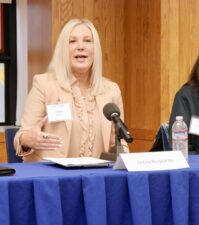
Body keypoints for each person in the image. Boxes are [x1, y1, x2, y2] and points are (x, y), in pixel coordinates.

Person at [14, 18, 128, 162]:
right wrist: (28, 139)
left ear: (95, 49)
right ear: (63, 49)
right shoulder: (43, 84)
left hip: (96, 177)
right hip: (52, 176)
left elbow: (118, 142)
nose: (80, 46)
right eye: (72, 41)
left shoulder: (111, 90)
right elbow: (21, 137)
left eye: (87, 40)